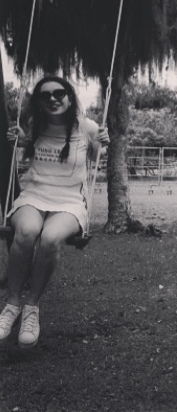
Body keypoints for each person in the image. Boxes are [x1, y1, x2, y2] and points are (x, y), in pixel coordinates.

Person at [0, 76, 109, 348]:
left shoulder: (87, 127)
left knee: (50, 238)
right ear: (38, 101)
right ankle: (11, 306)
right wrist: (17, 140)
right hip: (34, 194)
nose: (53, 99)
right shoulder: (34, 125)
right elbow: (26, 145)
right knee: (27, 231)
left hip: (70, 200)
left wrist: (103, 141)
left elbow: (96, 155)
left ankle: (31, 308)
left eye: (59, 93)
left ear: (70, 98)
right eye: (45, 95)